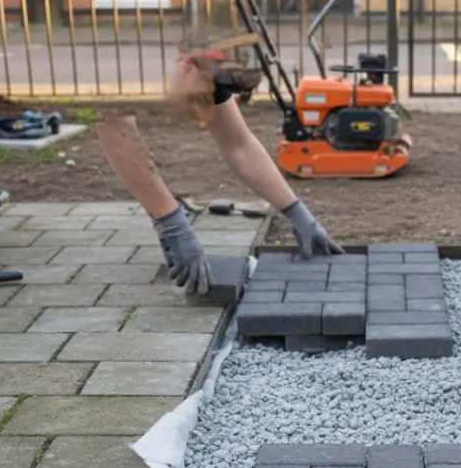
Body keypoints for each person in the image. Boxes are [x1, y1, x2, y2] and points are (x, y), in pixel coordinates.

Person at [95, 46, 344, 297]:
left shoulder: (209, 67)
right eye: (201, 95)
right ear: (185, 65)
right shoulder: (131, 68)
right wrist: (171, 222)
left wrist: (296, 211)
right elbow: (118, 135)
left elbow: (239, 146)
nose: (204, 106)